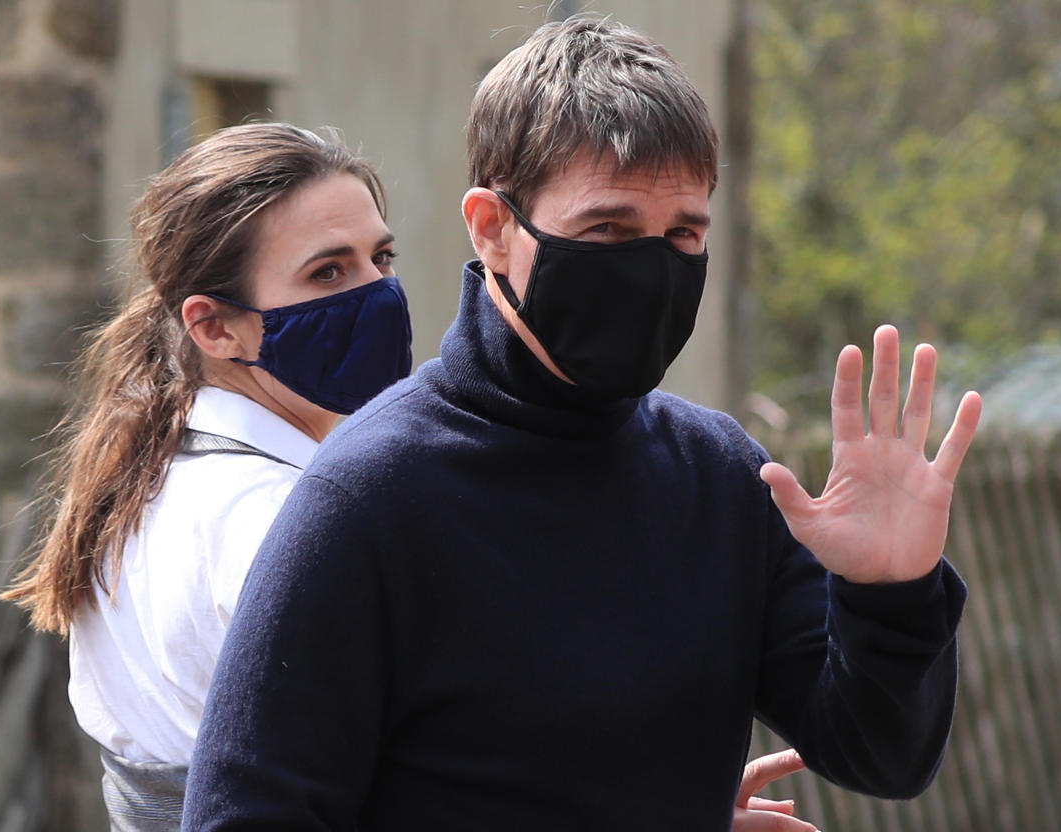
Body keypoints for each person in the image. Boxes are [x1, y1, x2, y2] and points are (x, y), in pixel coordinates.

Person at [183, 16, 982, 832]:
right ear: (493, 229)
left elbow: (883, 755)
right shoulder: (368, 498)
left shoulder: (718, 475)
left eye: (683, 234)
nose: (650, 270)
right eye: (608, 229)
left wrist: (889, 592)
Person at [0, 122, 413, 830]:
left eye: (381, 257)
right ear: (216, 328)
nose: (377, 292)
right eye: (328, 272)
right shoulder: (283, 516)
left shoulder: (136, 476)